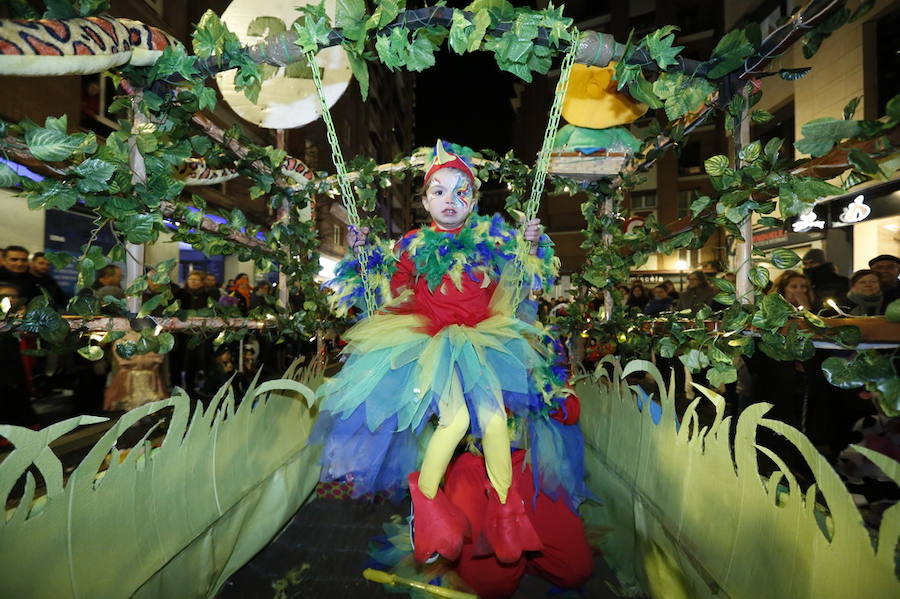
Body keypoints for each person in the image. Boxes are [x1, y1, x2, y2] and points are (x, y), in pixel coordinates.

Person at [315, 142, 586, 572]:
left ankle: (506, 517)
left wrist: (530, 248)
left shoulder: (491, 239)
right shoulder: (411, 243)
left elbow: (519, 280)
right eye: (438, 191)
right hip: (431, 344)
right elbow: (390, 288)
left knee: (494, 423)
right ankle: (425, 512)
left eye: (461, 192)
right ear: (424, 201)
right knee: (455, 420)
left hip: (484, 342)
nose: (449, 200)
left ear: (474, 201)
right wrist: (364, 253)